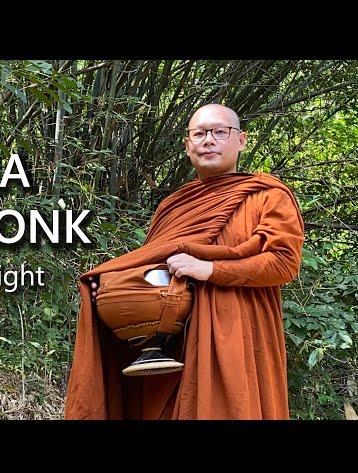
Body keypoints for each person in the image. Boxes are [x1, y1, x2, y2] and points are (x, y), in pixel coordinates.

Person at [64, 104, 305, 419]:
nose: (209, 141)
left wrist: (211, 270)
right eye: (200, 134)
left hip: (238, 335)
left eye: (220, 132)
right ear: (187, 145)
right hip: (178, 342)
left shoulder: (267, 196)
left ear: (241, 140)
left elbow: (283, 263)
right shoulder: (172, 206)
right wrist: (114, 290)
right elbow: (153, 269)